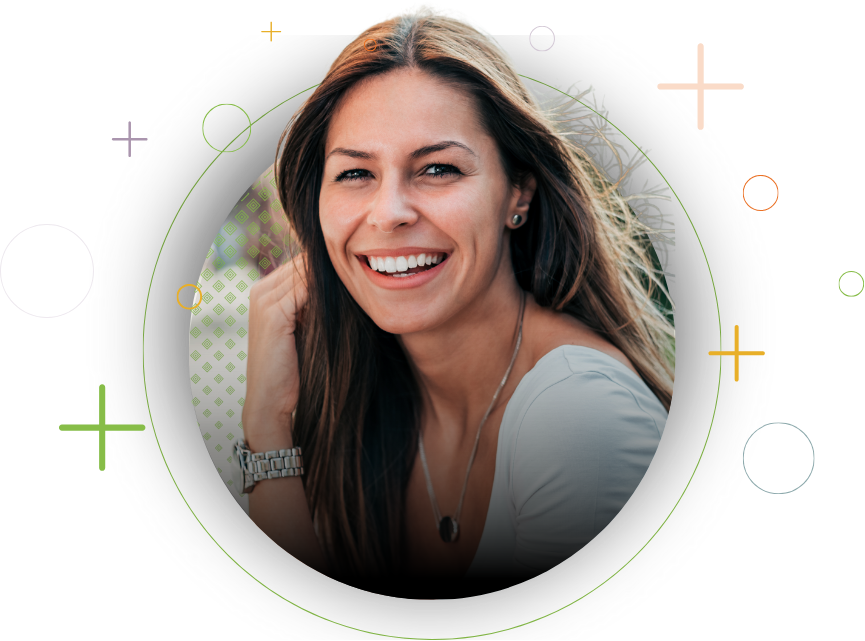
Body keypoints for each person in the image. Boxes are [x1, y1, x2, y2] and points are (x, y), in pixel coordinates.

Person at [241, 2, 675, 588]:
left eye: (439, 169)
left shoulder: (581, 418)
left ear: (517, 192)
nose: (390, 213)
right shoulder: (370, 395)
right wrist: (269, 420)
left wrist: (267, 429)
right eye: (355, 174)